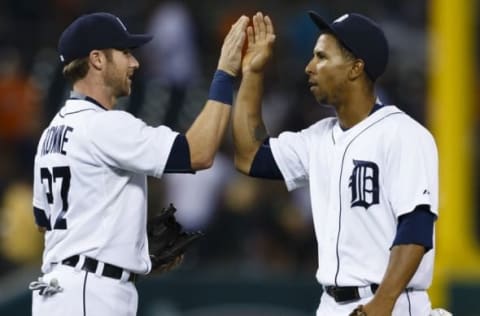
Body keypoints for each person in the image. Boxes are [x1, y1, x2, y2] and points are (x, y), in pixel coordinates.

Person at [30, 12, 249, 316]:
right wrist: (224, 73)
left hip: (61, 287)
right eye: (125, 53)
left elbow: (45, 221)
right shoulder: (104, 126)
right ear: (97, 59)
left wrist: (125, 243)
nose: (135, 63)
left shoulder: (51, 132)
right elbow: (198, 152)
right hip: (90, 292)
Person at [233, 11, 439, 315]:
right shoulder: (317, 138)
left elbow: (416, 227)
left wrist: (383, 301)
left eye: (321, 57)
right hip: (331, 303)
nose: (309, 67)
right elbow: (250, 157)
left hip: (391, 302)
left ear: (355, 68)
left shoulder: (403, 134)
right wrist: (252, 74)